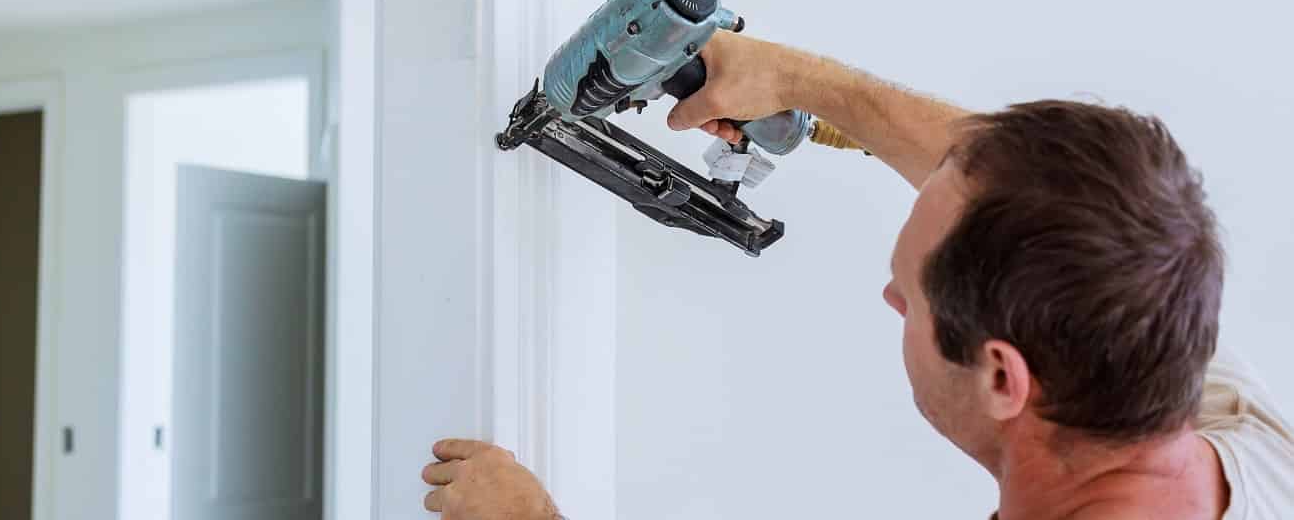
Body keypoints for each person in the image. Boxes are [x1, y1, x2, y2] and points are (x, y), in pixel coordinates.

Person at [420, 31, 1294, 520]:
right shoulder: (1228, 425)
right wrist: (804, 83)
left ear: (1001, 374)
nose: (889, 299)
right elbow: (1053, 197)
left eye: (909, 294)